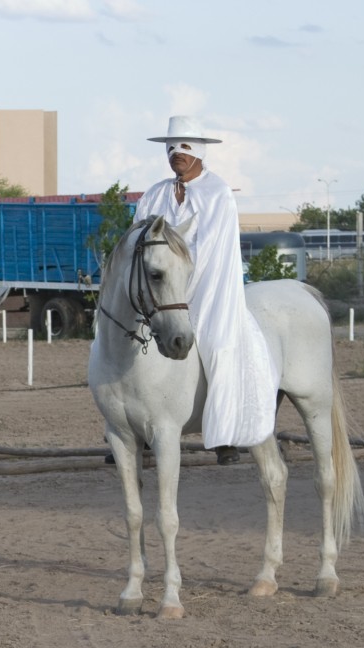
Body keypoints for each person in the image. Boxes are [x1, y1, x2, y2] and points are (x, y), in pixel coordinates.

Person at [135, 115, 280, 464]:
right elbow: (139, 238)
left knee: (218, 345)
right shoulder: (154, 194)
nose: (175, 153)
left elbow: (211, 247)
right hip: (164, 292)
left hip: (210, 287)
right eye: (170, 147)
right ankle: (133, 432)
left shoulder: (218, 193)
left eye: (184, 147)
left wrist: (181, 282)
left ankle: (224, 435)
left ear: (199, 151)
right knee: (129, 342)